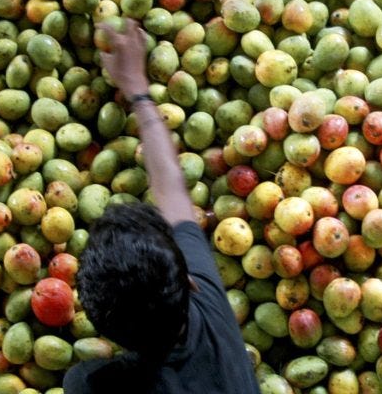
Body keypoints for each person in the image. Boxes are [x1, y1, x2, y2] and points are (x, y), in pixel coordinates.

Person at [63, 19, 259, 393]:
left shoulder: (90, 385)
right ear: (189, 283)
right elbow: (172, 189)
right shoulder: (212, 317)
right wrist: (138, 90)